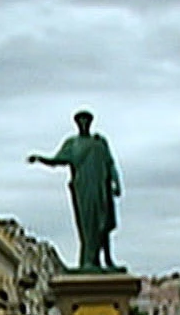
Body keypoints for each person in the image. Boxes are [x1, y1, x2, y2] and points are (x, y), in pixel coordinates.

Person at [27, 108, 123, 271]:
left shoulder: (99, 142)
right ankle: (88, 261)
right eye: (81, 120)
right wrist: (40, 158)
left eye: (87, 120)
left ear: (91, 123)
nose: (84, 123)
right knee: (87, 225)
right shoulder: (72, 143)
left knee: (103, 223)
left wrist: (116, 182)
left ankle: (106, 260)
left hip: (101, 188)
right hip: (83, 188)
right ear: (77, 123)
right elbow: (57, 160)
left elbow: (110, 163)